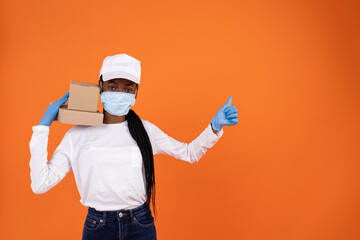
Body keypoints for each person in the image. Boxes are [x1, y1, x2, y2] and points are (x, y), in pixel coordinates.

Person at [29, 53, 238, 240]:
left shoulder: (146, 131)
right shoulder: (77, 135)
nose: (119, 93)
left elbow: (189, 153)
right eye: (112, 86)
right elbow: (40, 184)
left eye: (127, 88)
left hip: (140, 225)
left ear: (135, 93)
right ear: (99, 87)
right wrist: (42, 127)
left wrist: (214, 126)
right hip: (97, 228)